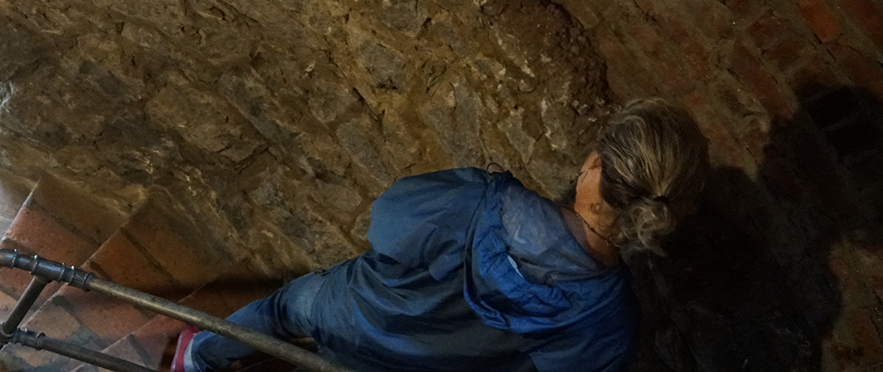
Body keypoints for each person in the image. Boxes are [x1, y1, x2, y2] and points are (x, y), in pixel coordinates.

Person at [172, 98, 710, 372]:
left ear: (594, 163)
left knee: (286, 309)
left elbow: (386, 221)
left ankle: (201, 360)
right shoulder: (608, 327)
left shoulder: (478, 202)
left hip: (355, 315)